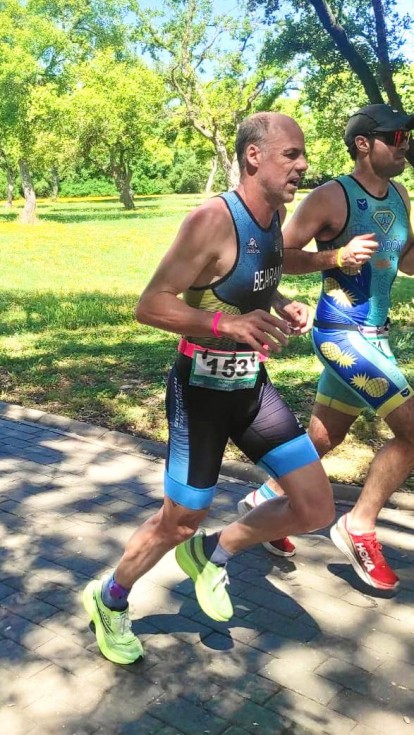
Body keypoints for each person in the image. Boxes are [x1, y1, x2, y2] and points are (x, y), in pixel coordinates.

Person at [82, 111, 334, 664]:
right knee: (180, 520)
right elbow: (149, 305)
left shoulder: (274, 217)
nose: (302, 165)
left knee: (316, 506)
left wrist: (281, 304)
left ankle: (213, 552)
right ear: (254, 156)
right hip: (199, 392)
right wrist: (226, 325)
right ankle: (110, 598)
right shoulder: (211, 220)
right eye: (291, 154)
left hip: (251, 389)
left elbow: (247, 284)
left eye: (302, 154)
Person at [238, 103, 414, 591]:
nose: (405, 146)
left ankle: (267, 499)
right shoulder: (332, 196)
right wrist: (336, 256)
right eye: (397, 137)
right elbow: (278, 256)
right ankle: (358, 526)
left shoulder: (399, 194)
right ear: (364, 143)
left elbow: (406, 261)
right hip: (340, 335)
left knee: (324, 437)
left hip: (376, 337)